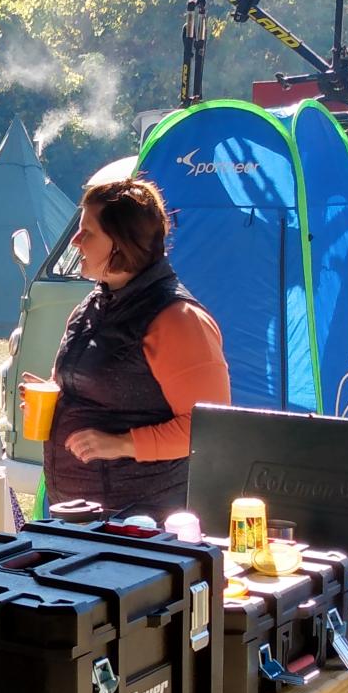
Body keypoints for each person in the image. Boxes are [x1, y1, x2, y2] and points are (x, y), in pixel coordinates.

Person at [36, 177, 229, 519]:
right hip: (78, 511)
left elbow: (208, 429)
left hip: (142, 517)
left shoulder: (179, 320)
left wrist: (121, 444)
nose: (76, 241)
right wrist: (54, 393)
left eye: (87, 232)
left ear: (121, 242)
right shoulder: (94, 303)